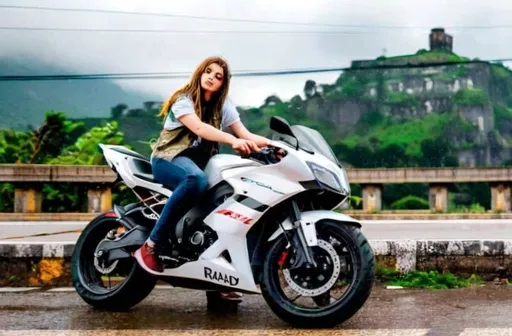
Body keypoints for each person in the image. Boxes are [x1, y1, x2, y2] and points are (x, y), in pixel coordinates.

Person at [136, 56, 271, 299]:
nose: (212, 77)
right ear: (200, 73)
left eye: (218, 76)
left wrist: (275, 145)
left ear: (223, 84)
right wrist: (232, 140)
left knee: (227, 205)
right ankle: (151, 245)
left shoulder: (223, 105)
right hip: (169, 160)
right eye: (208, 72)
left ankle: (219, 278)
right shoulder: (183, 100)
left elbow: (245, 133)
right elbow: (199, 128)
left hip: (198, 165)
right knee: (195, 180)